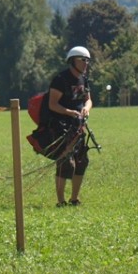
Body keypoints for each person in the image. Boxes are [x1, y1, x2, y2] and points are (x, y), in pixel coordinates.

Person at [46, 46, 94, 207]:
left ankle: (74, 199)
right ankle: (60, 201)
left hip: (79, 126)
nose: (86, 64)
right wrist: (70, 112)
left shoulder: (84, 79)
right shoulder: (61, 80)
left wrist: (86, 108)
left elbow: (88, 99)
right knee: (66, 163)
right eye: (83, 60)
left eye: (88, 60)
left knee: (82, 161)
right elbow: (52, 104)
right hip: (62, 127)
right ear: (73, 61)